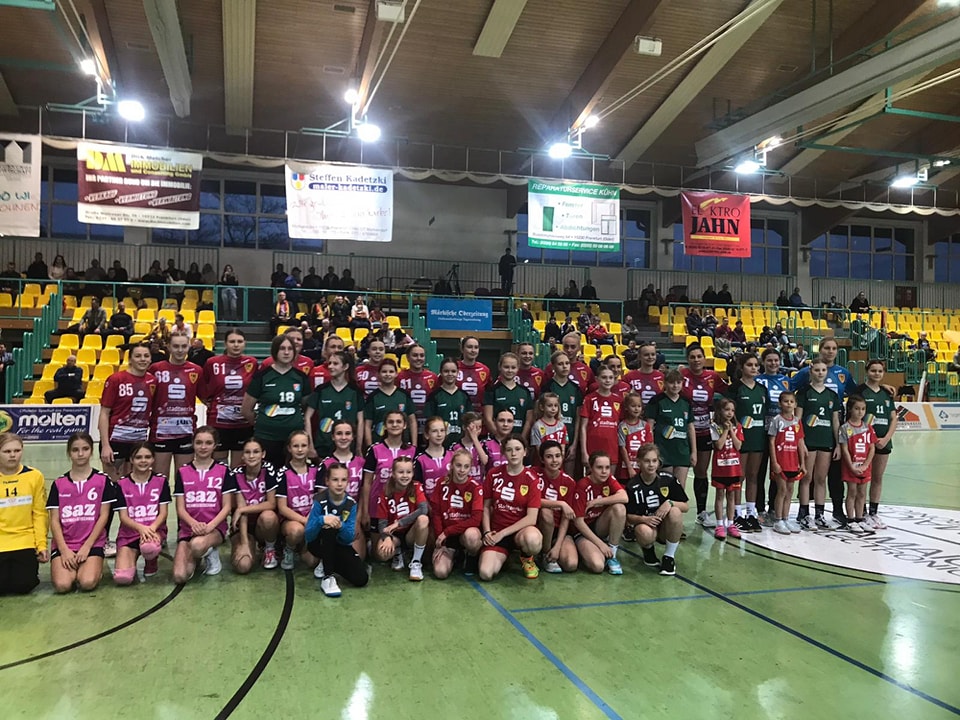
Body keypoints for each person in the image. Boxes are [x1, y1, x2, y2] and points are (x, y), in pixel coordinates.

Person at [46, 432, 111, 593]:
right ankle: (74, 568)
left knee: (87, 583)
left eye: (85, 449)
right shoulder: (59, 484)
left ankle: (93, 568)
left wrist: (87, 547)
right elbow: (54, 520)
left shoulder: (103, 481)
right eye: (75, 450)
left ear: (91, 451)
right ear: (69, 453)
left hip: (91, 543)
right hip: (66, 543)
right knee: (62, 586)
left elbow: (104, 516)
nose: (80, 454)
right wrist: (64, 550)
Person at [172, 428, 232, 583]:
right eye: (199, 442)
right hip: (189, 529)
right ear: (193, 444)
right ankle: (200, 555)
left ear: (215, 445)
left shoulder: (224, 471)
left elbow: (227, 507)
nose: (203, 447)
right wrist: (194, 524)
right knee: (180, 576)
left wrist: (210, 526)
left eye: (208, 443)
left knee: (198, 545)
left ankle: (209, 551)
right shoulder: (183, 471)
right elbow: (180, 508)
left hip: (214, 528)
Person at [479, 436, 542, 581]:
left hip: (520, 532)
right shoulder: (493, 474)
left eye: (518, 449)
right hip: (496, 531)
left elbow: (532, 518)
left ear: (525, 452)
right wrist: (487, 532)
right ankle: (504, 557)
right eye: (509, 450)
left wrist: (503, 533)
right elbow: (486, 507)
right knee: (485, 574)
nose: (513, 453)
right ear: (503, 453)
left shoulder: (532, 478)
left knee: (533, 540)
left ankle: (527, 557)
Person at [242, 335, 311, 467]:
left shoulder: (301, 377)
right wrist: (263, 423)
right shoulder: (262, 376)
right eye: (282, 348)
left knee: (291, 474)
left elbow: (305, 406)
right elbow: (246, 410)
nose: (286, 352)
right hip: (266, 437)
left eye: (290, 349)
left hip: (293, 438)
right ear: (275, 351)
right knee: (266, 474)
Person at [681, 343, 728, 528]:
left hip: (704, 431)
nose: (696, 360)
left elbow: (729, 392)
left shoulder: (712, 377)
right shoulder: (682, 375)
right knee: (678, 472)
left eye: (699, 356)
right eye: (692, 357)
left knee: (701, 471)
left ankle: (701, 512)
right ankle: (672, 512)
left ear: (704, 358)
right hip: (682, 430)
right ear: (687, 359)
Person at [304, 463, 369, 596]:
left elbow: (349, 538)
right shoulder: (319, 500)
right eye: (335, 480)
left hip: (340, 545)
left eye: (343, 480)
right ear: (327, 481)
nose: (339, 484)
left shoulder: (351, 504)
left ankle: (327, 562)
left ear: (348, 482)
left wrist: (340, 526)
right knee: (329, 528)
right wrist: (322, 520)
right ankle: (328, 577)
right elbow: (308, 535)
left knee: (361, 579)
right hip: (318, 543)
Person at [625, 444, 689, 576]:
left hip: (665, 526)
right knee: (643, 531)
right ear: (639, 462)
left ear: (659, 462)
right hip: (648, 526)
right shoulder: (632, 485)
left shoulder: (668, 479)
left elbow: (685, 506)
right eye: (647, 461)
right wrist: (643, 519)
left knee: (675, 511)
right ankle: (648, 551)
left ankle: (669, 557)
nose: (651, 465)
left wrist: (670, 503)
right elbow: (629, 516)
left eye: (654, 461)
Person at [99, 343, 158, 482]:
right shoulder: (116, 379)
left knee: (134, 485)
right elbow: (104, 413)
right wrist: (106, 445)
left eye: (146, 356)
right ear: (130, 359)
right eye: (138, 356)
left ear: (150, 359)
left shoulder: (153, 381)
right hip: (116, 440)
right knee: (114, 486)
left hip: (138, 441)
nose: (142, 359)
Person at [112, 443, 169, 584]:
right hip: (129, 533)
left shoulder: (161, 481)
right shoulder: (121, 484)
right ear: (131, 460)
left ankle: (151, 560)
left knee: (149, 547)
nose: (143, 461)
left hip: (153, 530)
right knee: (122, 578)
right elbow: (123, 517)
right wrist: (141, 528)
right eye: (138, 457)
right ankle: (134, 553)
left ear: (153, 459)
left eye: (147, 457)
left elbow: (163, 513)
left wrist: (151, 529)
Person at [199, 329, 257, 467]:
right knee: (219, 466)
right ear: (225, 344)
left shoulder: (252, 363)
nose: (236, 345)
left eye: (239, 341)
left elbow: (256, 389)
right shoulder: (212, 363)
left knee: (239, 466)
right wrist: (207, 402)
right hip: (218, 423)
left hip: (243, 423)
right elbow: (202, 386)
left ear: (244, 343)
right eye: (232, 341)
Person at [795, 358, 841, 530]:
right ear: (811, 371)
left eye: (823, 370)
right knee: (806, 478)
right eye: (817, 370)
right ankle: (804, 514)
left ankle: (819, 514)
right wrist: (800, 442)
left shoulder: (832, 395)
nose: (820, 373)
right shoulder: (804, 393)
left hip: (826, 441)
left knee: (821, 479)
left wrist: (838, 444)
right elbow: (797, 419)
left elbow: (835, 421)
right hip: (808, 441)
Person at [0, 433, 48, 595]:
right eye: (7, 451)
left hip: (24, 540)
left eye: (17, 450)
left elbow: (39, 514)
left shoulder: (34, 476)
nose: (12, 455)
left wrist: (41, 545)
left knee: (24, 585)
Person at [150, 332, 202, 478]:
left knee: (184, 480)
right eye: (176, 346)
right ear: (168, 346)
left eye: (184, 346)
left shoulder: (196, 370)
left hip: (185, 431)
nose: (180, 350)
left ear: (189, 347)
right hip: (160, 432)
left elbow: (205, 396)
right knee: (159, 480)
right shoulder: (155, 369)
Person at [727, 353, 768, 533]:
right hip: (741, 439)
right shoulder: (735, 388)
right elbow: (728, 413)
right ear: (742, 367)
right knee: (739, 476)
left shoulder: (762, 389)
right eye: (749, 365)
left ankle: (751, 513)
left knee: (753, 476)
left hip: (758, 437)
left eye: (756, 365)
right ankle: (737, 513)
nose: (754, 368)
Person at [855, 359, 897, 530]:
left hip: (883, 442)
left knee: (877, 478)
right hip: (864, 442)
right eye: (873, 370)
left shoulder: (887, 393)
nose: (877, 374)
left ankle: (873, 513)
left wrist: (886, 438)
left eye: (880, 371)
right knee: (862, 478)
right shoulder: (860, 391)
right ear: (867, 372)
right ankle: (862, 512)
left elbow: (893, 418)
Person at [317, 421, 367, 560]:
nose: (343, 437)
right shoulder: (326, 464)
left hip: (353, 516)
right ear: (333, 437)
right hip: (332, 516)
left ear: (353, 437)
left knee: (357, 559)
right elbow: (321, 497)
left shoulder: (361, 462)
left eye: (347, 433)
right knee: (312, 560)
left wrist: (357, 520)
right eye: (339, 433)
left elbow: (364, 493)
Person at [430, 448, 483, 579]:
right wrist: (440, 542)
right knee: (440, 573)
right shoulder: (441, 483)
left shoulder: (475, 487)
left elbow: (476, 520)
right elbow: (436, 513)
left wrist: (447, 531)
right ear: (452, 465)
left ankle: (471, 556)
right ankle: (454, 557)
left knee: (472, 536)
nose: (462, 470)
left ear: (470, 468)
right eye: (458, 465)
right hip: (447, 537)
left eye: (466, 466)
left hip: (464, 534)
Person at [361, 410, 416, 536]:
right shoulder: (375, 450)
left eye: (398, 422)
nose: (395, 425)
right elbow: (367, 482)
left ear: (405, 425)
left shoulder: (412, 451)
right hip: (377, 506)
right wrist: (365, 511)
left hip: (404, 506)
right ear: (385, 425)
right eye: (391, 422)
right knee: (378, 547)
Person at [572, 451, 627, 574]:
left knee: (619, 508)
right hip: (582, 532)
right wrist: (600, 544)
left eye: (607, 467)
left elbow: (624, 497)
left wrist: (597, 502)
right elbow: (578, 522)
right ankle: (583, 551)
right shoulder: (582, 485)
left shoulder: (609, 479)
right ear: (591, 468)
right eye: (599, 467)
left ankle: (612, 555)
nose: (604, 471)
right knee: (598, 566)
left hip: (599, 527)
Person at [276, 431, 323, 570]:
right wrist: (304, 521)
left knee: (312, 562)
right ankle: (289, 548)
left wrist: (312, 518)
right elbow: (282, 508)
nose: (300, 449)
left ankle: (302, 547)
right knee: (297, 531)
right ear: (289, 448)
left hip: (312, 517)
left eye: (304, 445)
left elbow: (321, 499)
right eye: (296, 446)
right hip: (291, 520)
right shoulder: (282, 473)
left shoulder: (317, 470)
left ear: (309, 447)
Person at [304, 351, 363, 459]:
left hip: (348, 448)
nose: (330, 366)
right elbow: (307, 417)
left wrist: (359, 448)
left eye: (335, 364)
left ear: (345, 367)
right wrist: (310, 446)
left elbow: (361, 421)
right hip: (323, 447)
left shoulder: (355, 391)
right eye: (330, 363)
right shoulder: (321, 390)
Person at [644, 369, 695, 490]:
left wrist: (694, 452)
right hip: (663, 451)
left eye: (678, 382)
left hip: (682, 451)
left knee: (679, 489)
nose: (675, 385)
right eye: (672, 382)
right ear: (665, 383)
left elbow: (690, 427)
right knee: (664, 488)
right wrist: (651, 450)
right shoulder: (657, 401)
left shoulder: (686, 402)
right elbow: (649, 426)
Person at [536, 441, 578, 573]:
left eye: (558, 456)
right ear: (542, 459)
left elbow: (567, 516)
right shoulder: (533, 474)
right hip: (538, 526)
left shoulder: (569, 482)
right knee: (546, 512)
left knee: (571, 565)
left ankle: (554, 547)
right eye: (549, 457)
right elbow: (532, 501)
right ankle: (545, 554)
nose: (554, 460)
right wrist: (560, 503)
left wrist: (558, 546)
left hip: (559, 529)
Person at [767, 391, 806, 535]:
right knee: (782, 490)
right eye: (785, 401)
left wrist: (802, 463)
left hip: (793, 462)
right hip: (781, 462)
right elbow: (771, 442)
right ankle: (778, 520)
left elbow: (800, 442)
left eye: (791, 401)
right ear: (780, 404)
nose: (789, 404)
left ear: (795, 404)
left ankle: (785, 518)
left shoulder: (797, 421)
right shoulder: (776, 420)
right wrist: (774, 462)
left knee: (790, 491)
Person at [838, 396, 877, 533]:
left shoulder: (868, 428)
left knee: (862, 493)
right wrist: (851, 466)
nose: (860, 412)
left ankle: (860, 519)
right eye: (857, 409)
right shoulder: (845, 428)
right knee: (852, 492)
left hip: (864, 467)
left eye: (863, 409)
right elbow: (844, 450)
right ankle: (851, 520)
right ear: (850, 409)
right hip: (851, 467)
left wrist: (866, 465)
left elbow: (872, 448)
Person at [543, 351, 582, 476]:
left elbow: (578, 418)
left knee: (568, 476)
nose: (565, 366)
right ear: (553, 367)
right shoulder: (547, 387)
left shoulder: (575, 389)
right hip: (551, 437)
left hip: (570, 438)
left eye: (567, 363)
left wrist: (575, 444)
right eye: (560, 364)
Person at [710, 397, 743, 540]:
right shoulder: (714, 426)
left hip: (733, 468)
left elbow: (738, 445)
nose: (730, 413)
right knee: (720, 495)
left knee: (731, 496)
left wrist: (732, 431)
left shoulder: (738, 426)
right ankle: (719, 525)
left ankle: (731, 524)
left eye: (732, 410)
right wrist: (725, 431)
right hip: (720, 468)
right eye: (727, 410)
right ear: (720, 411)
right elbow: (718, 445)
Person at [579, 366, 621, 476]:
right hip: (593, 448)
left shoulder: (619, 400)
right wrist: (584, 452)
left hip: (612, 448)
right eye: (604, 377)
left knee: (609, 481)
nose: (607, 380)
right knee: (592, 480)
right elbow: (583, 427)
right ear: (597, 379)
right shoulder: (589, 399)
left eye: (610, 377)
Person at [364, 359, 417, 447]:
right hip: (379, 444)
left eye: (391, 371)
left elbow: (412, 421)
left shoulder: (404, 395)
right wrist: (370, 447)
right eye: (384, 371)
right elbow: (367, 425)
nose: (387, 374)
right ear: (378, 374)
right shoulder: (373, 397)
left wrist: (414, 445)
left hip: (402, 445)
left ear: (396, 374)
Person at [483, 352, 533, 437]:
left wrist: (521, 439)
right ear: (500, 367)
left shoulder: (525, 391)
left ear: (518, 368)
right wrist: (500, 438)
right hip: (498, 439)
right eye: (506, 367)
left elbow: (528, 421)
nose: (510, 370)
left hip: (518, 439)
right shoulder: (492, 391)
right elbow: (488, 419)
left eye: (513, 367)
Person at [424, 358, 471, 448]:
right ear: (441, 372)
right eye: (446, 371)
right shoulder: (434, 396)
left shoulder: (464, 396)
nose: (450, 374)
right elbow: (429, 423)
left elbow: (469, 421)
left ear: (458, 373)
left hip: (461, 444)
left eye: (453, 371)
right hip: (440, 444)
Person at [399, 344, 439, 443]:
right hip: (406, 427)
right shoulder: (399, 377)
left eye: (422, 355)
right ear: (408, 357)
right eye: (415, 355)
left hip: (428, 427)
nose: (419, 358)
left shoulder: (432, 377)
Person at [414, 417, 454, 498]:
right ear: (426, 435)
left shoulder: (453, 455)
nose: (439, 434)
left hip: (451, 502)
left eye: (442, 430)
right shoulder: (420, 459)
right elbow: (417, 487)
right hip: (429, 504)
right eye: (434, 431)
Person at [617, 391, 652, 481]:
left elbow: (649, 447)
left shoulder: (645, 426)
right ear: (626, 407)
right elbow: (622, 448)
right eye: (633, 406)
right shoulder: (622, 426)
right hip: (626, 468)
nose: (636, 409)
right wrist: (629, 468)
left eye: (639, 406)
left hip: (642, 468)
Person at [457, 336, 493, 414]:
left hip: (478, 415)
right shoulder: (454, 368)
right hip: (457, 413)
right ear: (462, 349)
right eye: (469, 347)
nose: (473, 350)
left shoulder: (484, 370)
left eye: (476, 347)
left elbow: (489, 394)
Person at [530, 391, 569, 462]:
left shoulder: (562, 426)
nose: (553, 408)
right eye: (550, 405)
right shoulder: (537, 426)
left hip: (557, 464)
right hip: (542, 464)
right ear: (542, 407)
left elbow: (563, 448)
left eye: (556, 405)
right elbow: (538, 450)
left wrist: (558, 460)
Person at [624, 342, 665, 406]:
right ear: (639, 357)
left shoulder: (661, 376)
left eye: (653, 354)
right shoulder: (629, 377)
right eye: (646, 355)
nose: (650, 357)